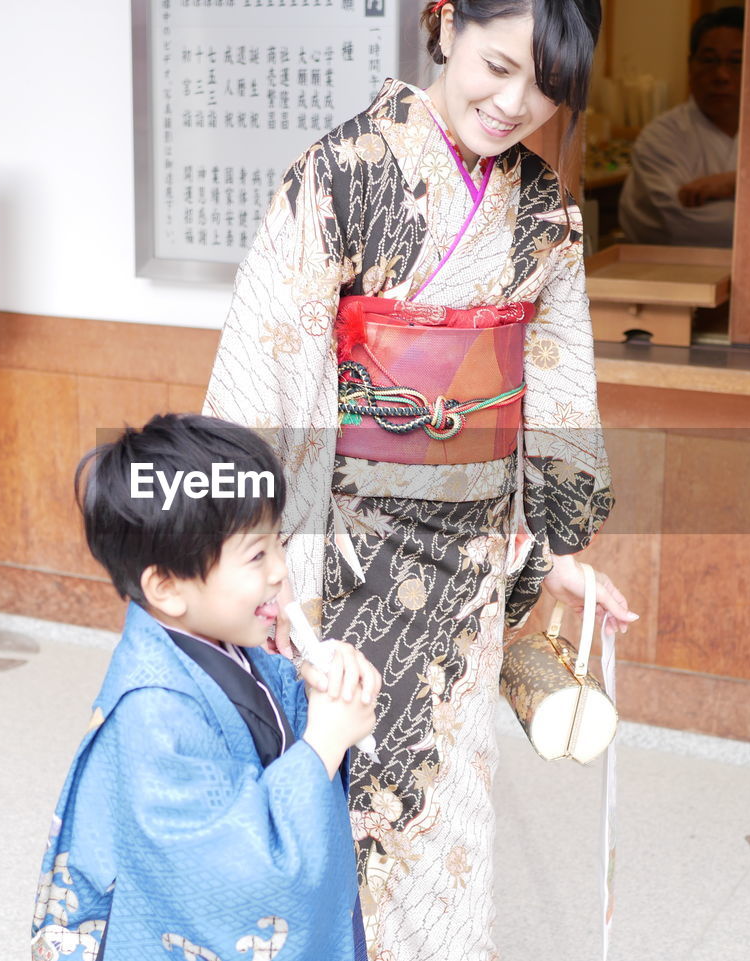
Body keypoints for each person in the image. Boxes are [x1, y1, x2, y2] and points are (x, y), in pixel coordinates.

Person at [204, 1, 637, 957]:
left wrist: (558, 547)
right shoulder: (342, 175)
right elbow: (267, 370)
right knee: (337, 801)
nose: (516, 104)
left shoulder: (543, 216)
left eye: (545, 87)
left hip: (471, 567)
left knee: (449, 814)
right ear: (444, 23)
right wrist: (259, 558)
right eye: (497, 66)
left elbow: (555, 384)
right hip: (343, 559)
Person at [31, 414, 381, 961]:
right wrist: (325, 743)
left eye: (278, 544)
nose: (280, 571)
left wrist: (316, 687)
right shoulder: (155, 713)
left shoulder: (218, 640)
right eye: (256, 555)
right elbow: (237, 880)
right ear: (167, 586)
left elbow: (272, 725)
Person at [619, 6, 745, 246]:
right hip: (671, 272)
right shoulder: (662, 137)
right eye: (709, 60)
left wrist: (734, 183)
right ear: (691, 65)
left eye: (736, 61)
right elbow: (686, 226)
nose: (721, 75)